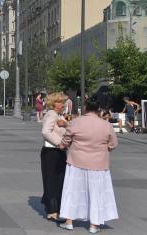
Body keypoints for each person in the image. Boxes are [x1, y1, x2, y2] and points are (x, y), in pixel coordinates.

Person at [58, 96, 118, 234]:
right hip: (98, 163)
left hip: (76, 162)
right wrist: (103, 149)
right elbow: (113, 144)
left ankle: (69, 222)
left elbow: (66, 140)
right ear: (99, 109)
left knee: (72, 191)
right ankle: (94, 224)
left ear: (85, 107)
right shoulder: (106, 125)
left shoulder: (76, 122)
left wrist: (62, 145)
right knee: (96, 193)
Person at [40, 92, 68, 222]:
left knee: (57, 180)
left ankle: (53, 207)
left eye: (64, 102)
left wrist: (65, 125)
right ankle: (52, 210)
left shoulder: (56, 115)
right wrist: (59, 143)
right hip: (52, 152)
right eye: (61, 102)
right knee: (53, 181)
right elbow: (46, 132)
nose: (64, 104)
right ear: (54, 103)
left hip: (55, 151)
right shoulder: (52, 114)